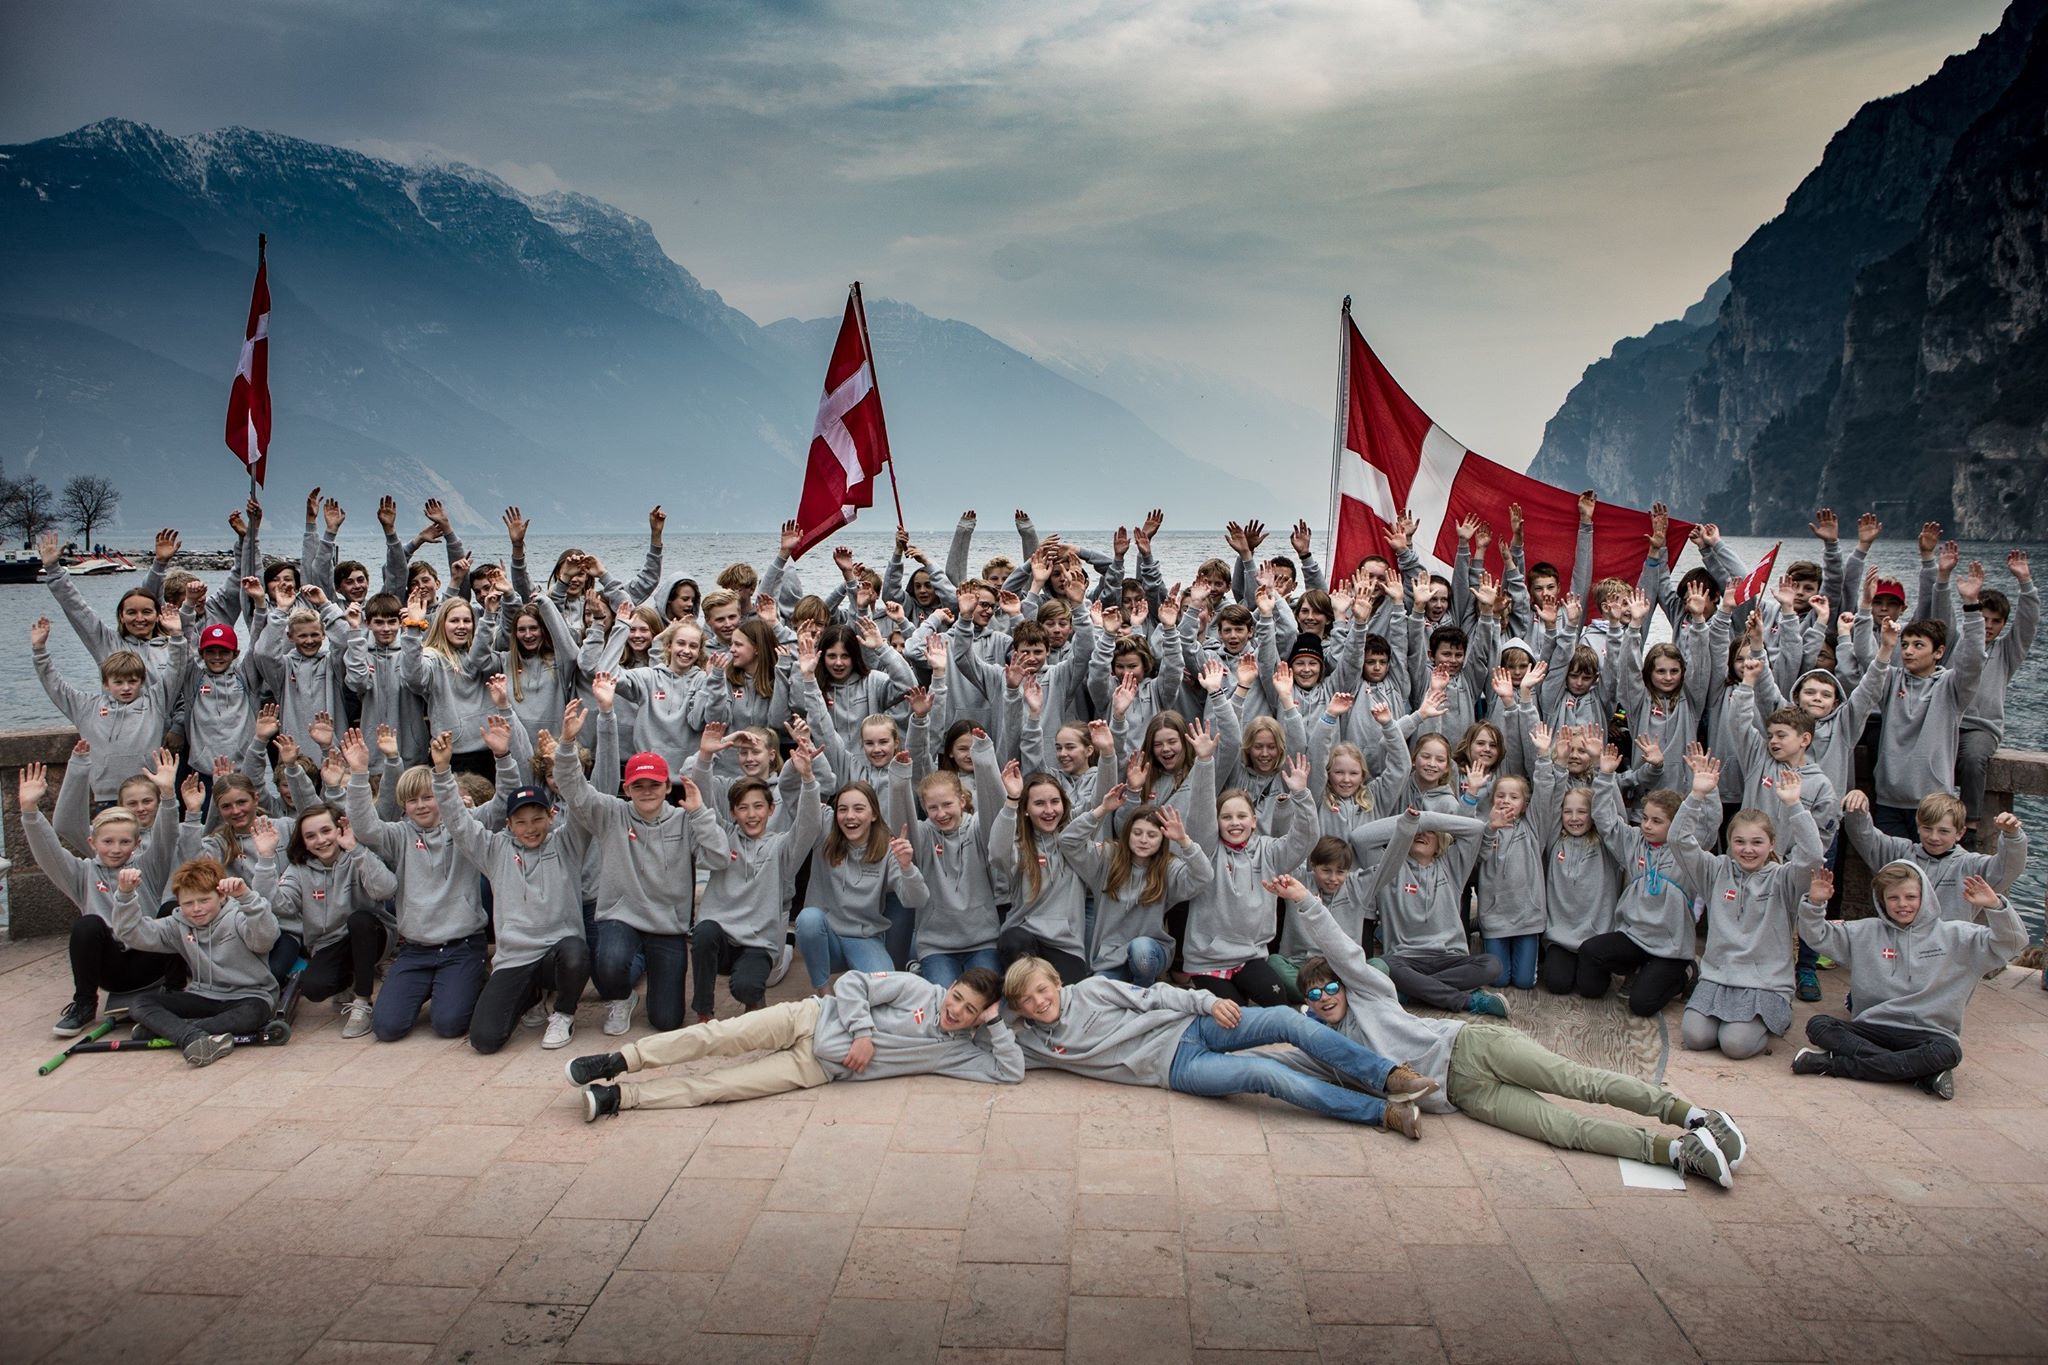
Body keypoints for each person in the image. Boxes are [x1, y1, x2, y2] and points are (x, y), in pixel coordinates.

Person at [1275, 875, 1742, 1186]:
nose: (1326, 997)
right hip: (1463, 1097)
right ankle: (1678, 1152)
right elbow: (1277, 1058)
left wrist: (1305, 902)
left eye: (1330, 987)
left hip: (1473, 1048)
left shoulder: (1370, 994)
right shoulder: (1323, 1046)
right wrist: (1211, 1028)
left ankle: (1694, 1115)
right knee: (1562, 1130)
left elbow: (1346, 953)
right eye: (1314, 996)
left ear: (1345, 987)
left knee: (1577, 1081)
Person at [1002, 955, 1432, 1137]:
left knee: (1285, 1018)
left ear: (1057, 982)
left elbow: (1155, 995)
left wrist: (1206, 1001)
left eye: (1043, 990)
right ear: (1019, 1008)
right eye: (1028, 1000)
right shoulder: (1033, 1043)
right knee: (1265, 1073)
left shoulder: (1093, 989)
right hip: (1176, 1071)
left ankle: (1390, 1075)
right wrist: (994, 1019)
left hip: (1192, 1026)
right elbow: (991, 1054)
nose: (1040, 1002)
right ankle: (1383, 1113)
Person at [566, 967, 1021, 1121]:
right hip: (807, 1018)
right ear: (953, 986)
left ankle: (619, 1097)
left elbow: (1010, 1071)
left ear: (979, 1015)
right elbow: (854, 984)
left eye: (969, 1010)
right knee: (715, 1037)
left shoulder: (958, 1048)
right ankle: (619, 1059)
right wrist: (863, 1033)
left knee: (715, 1088)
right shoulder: (919, 988)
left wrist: (995, 1024)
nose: (955, 1010)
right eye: (957, 997)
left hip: (816, 1069)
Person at [554, 700, 727, 1035]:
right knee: (609, 963)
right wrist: (566, 744)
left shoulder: (684, 819)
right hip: (622, 915)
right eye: (638, 786)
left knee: (666, 1021)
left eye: (654, 785)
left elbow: (719, 858)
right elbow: (573, 788)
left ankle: (648, 974)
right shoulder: (611, 814)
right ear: (626, 788)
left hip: (667, 924)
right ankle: (620, 997)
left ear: (667, 786)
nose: (646, 792)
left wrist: (701, 814)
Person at [1794, 864, 2027, 1100]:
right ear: (1881, 901)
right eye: (1893, 898)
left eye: (1911, 897)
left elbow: (2013, 944)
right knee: (1819, 1025)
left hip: (1927, 1034)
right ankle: (1920, 1075)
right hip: (1872, 1027)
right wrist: (1815, 904)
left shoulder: (1958, 936)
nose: (1902, 904)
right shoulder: (1864, 931)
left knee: (1949, 1052)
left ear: (1924, 897)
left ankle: (1834, 1065)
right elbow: (1817, 936)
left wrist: (1995, 907)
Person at [436, 734, 592, 1054]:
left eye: (537, 818)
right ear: (508, 823)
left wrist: (562, 758)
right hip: (514, 958)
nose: (530, 828)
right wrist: (441, 772)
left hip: (556, 953)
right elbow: (457, 822)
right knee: (484, 1040)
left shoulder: (567, 842)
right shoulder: (494, 848)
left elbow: (579, 801)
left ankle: (563, 1014)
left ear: (551, 816)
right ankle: (532, 995)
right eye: (521, 821)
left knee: (576, 950)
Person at [1668, 751, 1824, 1059]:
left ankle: (1776, 1016)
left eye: (1757, 843)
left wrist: (1794, 805)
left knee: (1735, 1045)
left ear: (1772, 845)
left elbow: (1814, 857)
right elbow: (1679, 840)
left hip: (1765, 983)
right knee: (1695, 1037)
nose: (1748, 850)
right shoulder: (1715, 870)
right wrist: (1697, 795)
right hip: (1718, 976)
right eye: (1739, 842)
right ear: (1729, 843)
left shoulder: (1784, 879)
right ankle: (1735, 1020)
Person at [341, 729, 490, 1042]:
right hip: (416, 950)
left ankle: (471, 978)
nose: (421, 806)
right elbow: (365, 826)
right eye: (412, 800)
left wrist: (445, 770)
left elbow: (500, 806)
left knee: (448, 1025)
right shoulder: (399, 836)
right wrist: (358, 773)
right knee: (387, 1028)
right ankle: (434, 985)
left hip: (461, 946)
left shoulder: (464, 828)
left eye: (428, 797)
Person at [20, 755, 184, 1036]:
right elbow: (49, 853)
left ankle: (175, 992)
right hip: (113, 970)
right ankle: (84, 1004)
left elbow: (166, 836)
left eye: (124, 842)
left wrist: (168, 795)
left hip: (153, 961)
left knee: (172, 909)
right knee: (87, 925)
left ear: (136, 845)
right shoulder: (81, 873)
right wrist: (30, 811)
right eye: (107, 842)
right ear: (92, 843)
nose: (116, 849)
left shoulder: (149, 865)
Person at [109, 859, 279, 1067]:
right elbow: (131, 933)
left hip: (249, 996)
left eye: (204, 900)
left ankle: (172, 1029)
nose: (196, 909)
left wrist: (247, 898)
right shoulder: (178, 923)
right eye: (188, 903)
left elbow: (266, 939)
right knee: (140, 1004)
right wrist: (125, 896)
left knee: (252, 1016)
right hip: (203, 996)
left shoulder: (239, 916)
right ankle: (193, 1037)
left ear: (221, 896)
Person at [260, 797, 397, 1018]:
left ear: (339, 829)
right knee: (314, 988)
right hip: (330, 943)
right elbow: (279, 906)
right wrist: (266, 858)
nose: (321, 840)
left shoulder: (357, 854)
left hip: (372, 935)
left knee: (360, 920)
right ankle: (349, 979)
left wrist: (355, 849)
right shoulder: (299, 869)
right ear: (303, 841)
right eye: (311, 836)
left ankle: (362, 1001)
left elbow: (386, 890)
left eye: (326, 831)